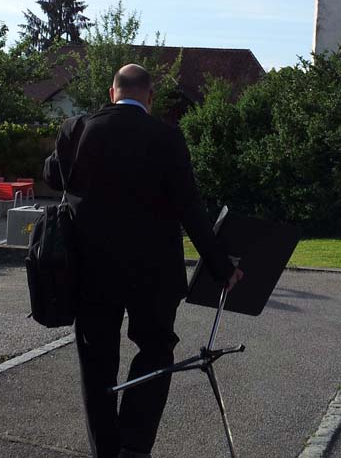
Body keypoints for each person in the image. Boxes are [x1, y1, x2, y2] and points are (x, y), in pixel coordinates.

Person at [44, 63, 243, 458]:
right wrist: (221, 266)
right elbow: (190, 208)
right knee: (155, 349)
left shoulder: (77, 128)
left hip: (89, 269)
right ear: (149, 97)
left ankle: (105, 448)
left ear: (111, 91)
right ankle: (134, 444)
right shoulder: (167, 136)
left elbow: (53, 175)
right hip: (153, 271)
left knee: (96, 359)